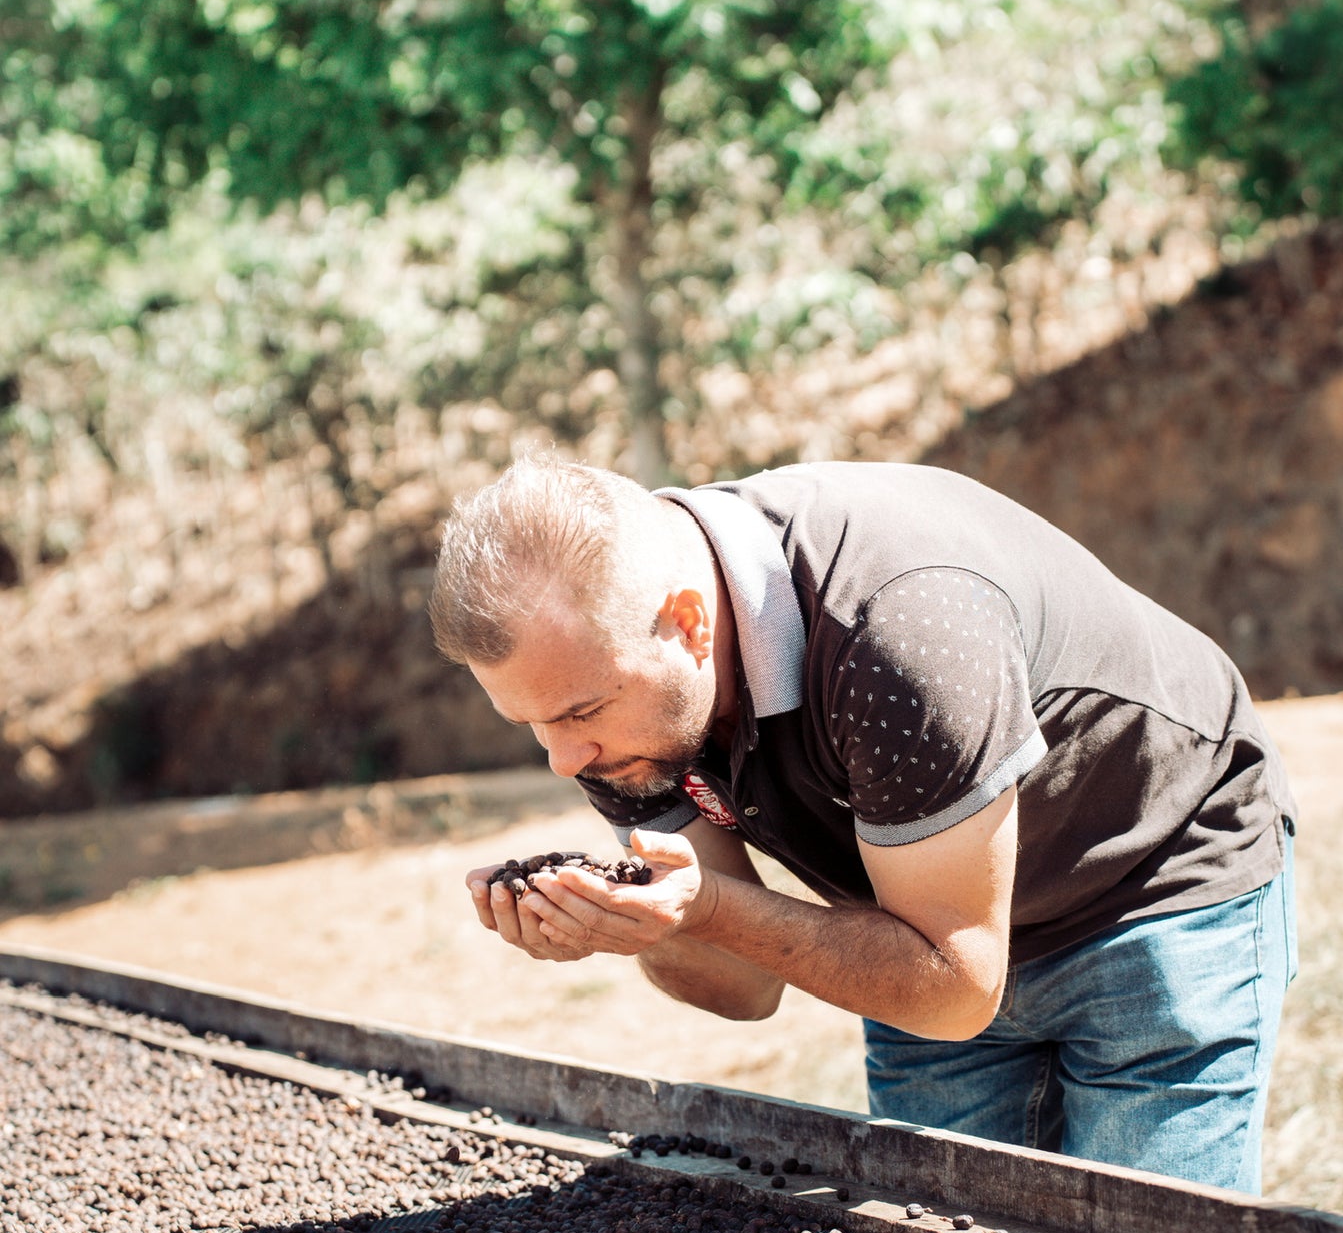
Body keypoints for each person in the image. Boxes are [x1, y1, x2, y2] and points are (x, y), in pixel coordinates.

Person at [430, 454, 1297, 1193]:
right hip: (919, 926)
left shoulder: (899, 628)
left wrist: (712, 911)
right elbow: (745, 988)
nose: (561, 759)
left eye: (578, 712)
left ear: (688, 626)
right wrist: (637, 927)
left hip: (1151, 883)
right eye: (531, 724)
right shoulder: (615, 713)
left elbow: (955, 987)